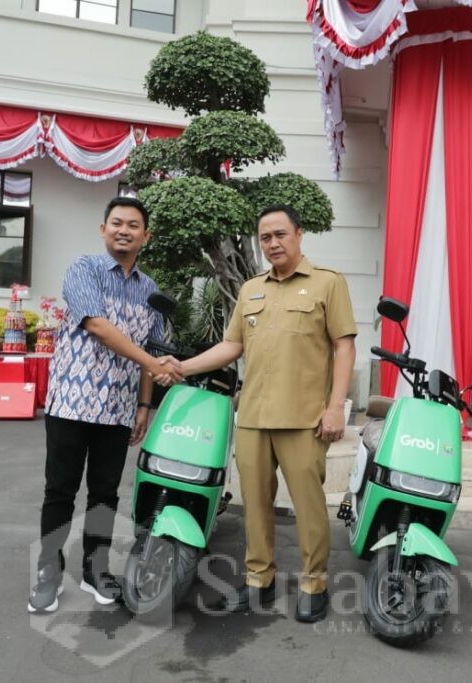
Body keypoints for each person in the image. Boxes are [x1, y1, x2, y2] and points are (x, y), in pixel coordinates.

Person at [180, 204, 356, 623]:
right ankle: (259, 580)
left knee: (309, 506)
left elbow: (343, 347)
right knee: (254, 505)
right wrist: (184, 367)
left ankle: (315, 583)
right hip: (254, 416)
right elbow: (232, 346)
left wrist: (335, 408)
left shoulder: (327, 284)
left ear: (298, 234)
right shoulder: (250, 289)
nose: (273, 243)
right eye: (265, 237)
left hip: (303, 419)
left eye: (280, 234)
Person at [27, 196, 182, 614]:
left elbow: (150, 347)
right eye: (116, 223)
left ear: (145, 237)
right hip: (72, 403)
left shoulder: (149, 289)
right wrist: (152, 362)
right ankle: (48, 571)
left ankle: (96, 569)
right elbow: (97, 324)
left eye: (133, 225)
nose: (124, 230)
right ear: (103, 229)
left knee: (105, 494)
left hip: (116, 408)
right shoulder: (84, 269)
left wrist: (145, 404)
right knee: (59, 491)